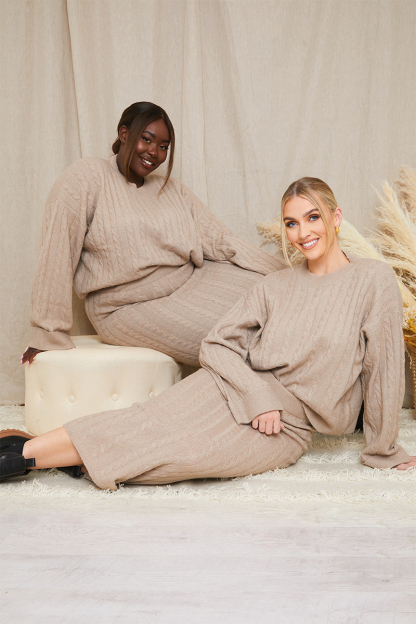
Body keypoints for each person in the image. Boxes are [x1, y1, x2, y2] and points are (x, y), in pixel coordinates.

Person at [4, 177, 415, 486]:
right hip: (233, 387)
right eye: (291, 223)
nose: (303, 233)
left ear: (335, 218)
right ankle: (19, 457)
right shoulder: (276, 285)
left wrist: (383, 449)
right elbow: (217, 344)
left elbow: (382, 366)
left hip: (286, 427)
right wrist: (257, 396)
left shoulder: (372, 280)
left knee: (179, 457)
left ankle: (38, 453)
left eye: (313, 218)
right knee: (144, 422)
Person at [22, 102, 284, 368]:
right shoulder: (87, 177)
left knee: (278, 298)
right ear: (124, 134)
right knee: (244, 335)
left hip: (192, 280)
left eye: (163, 146)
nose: (154, 152)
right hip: (125, 306)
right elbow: (58, 250)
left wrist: (288, 273)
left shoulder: (172, 189)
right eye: (147, 139)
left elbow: (220, 239)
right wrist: (46, 332)